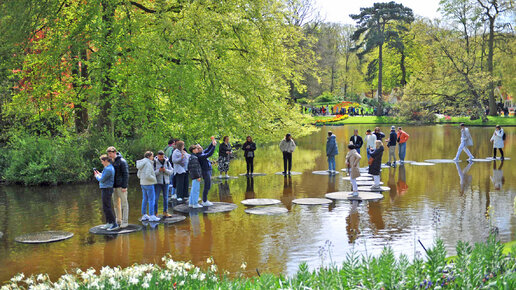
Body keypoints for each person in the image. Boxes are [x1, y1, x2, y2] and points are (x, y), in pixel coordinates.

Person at [106, 146, 129, 229]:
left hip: (121, 186)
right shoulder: (110, 162)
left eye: (111, 153)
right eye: (108, 154)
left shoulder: (122, 161)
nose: (109, 155)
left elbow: (126, 174)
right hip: (113, 187)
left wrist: (124, 186)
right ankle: (118, 220)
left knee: (124, 204)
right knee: (116, 204)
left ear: (115, 152)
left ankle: (125, 221)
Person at [94, 155, 118, 230]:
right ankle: (109, 222)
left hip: (107, 189)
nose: (101, 163)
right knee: (105, 206)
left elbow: (102, 179)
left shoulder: (108, 169)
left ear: (105, 161)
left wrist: (96, 176)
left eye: (102, 161)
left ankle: (114, 224)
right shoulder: (108, 168)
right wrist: (99, 173)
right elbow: (104, 176)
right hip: (105, 188)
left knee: (107, 207)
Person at [136, 151, 160, 222]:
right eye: (152, 156)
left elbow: (138, 175)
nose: (153, 158)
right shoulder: (148, 163)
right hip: (149, 184)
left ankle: (144, 215)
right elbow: (148, 175)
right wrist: (154, 179)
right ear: (149, 156)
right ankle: (152, 215)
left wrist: (142, 179)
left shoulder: (141, 163)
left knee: (145, 199)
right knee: (152, 200)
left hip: (142, 183)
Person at [195, 138, 217, 206]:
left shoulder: (202, 152)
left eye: (200, 147)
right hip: (205, 171)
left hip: (208, 170)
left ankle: (205, 200)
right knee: (207, 186)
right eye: (198, 148)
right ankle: (204, 201)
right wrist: (214, 146)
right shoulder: (199, 155)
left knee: (208, 185)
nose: (200, 148)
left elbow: (208, 149)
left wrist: (212, 142)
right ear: (196, 150)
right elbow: (209, 154)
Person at [153, 150, 173, 217]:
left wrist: (165, 170)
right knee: (156, 198)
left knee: (166, 198)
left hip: (166, 182)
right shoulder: (154, 162)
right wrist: (159, 171)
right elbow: (152, 173)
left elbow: (171, 171)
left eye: (162, 156)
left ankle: (165, 212)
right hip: (157, 182)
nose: (161, 158)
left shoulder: (167, 162)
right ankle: (155, 212)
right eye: (160, 157)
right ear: (157, 156)